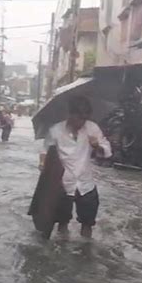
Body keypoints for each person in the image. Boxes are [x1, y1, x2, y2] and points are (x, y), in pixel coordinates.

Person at [40, 95, 112, 238]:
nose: (81, 122)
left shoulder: (92, 128)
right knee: (62, 223)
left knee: (87, 224)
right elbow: (45, 151)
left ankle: (85, 252)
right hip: (63, 184)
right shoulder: (56, 130)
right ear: (70, 114)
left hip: (86, 184)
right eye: (79, 118)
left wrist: (97, 146)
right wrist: (42, 164)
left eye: (84, 118)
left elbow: (107, 153)